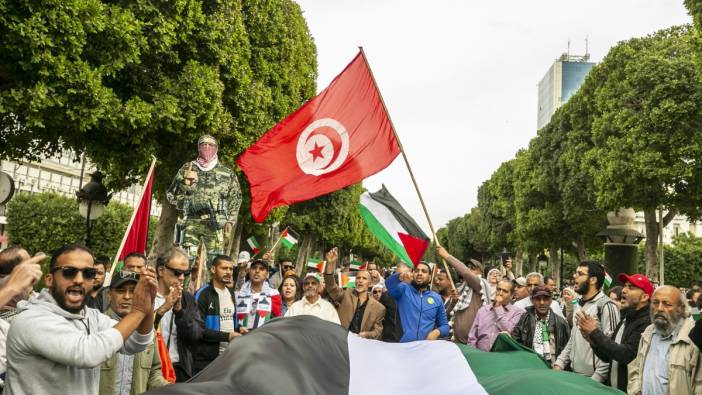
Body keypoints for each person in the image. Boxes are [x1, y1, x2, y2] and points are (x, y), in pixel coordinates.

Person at [5, 245, 156, 394]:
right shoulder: (31, 319)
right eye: (69, 272)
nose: (79, 279)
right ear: (49, 280)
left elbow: (136, 342)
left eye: (88, 273)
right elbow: (87, 353)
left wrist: (148, 302)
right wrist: (138, 311)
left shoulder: (92, 316)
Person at [167, 134, 242, 265]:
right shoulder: (188, 168)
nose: (207, 148)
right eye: (203, 145)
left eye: (211, 145)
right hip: (191, 221)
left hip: (215, 223)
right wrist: (186, 202)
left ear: (216, 148)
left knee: (215, 264)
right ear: (198, 148)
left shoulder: (226, 172)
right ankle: (181, 286)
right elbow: (171, 193)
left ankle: (212, 286)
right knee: (185, 262)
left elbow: (236, 197)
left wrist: (230, 221)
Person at [578, 273, 652, 392]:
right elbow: (609, 357)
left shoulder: (647, 323)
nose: (624, 290)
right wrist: (592, 340)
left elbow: (626, 355)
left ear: (644, 297)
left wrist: (595, 332)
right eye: (625, 286)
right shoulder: (626, 318)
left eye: (631, 287)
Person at [99, 270, 170, 395]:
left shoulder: (147, 331)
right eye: (120, 291)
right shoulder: (97, 327)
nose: (127, 296)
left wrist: (170, 388)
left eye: (133, 291)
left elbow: (154, 372)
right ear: (109, 295)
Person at [553, 261, 620, 383]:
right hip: (575, 377)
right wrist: (559, 363)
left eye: (580, 273)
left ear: (593, 279)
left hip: (594, 383)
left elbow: (612, 349)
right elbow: (573, 339)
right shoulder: (577, 303)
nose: (574, 276)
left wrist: (595, 380)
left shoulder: (606, 306)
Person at [628, 286, 701, 395]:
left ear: (681, 308)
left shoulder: (693, 339)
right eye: (655, 302)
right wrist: (636, 391)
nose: (660, 308)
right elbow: (636, 368)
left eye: (667, 304)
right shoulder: (648, 332)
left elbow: (699, 386)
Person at [154, 248, 204, 382]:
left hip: (178, 369)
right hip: (148, 368)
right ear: (161, 270)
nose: (182, 278)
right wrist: (163, 309)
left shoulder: (187, 299)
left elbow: (196, 335)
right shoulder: (146, 296)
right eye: (177, 273)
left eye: (185, 273)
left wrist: (180, 312)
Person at [323, 248, 385, 338]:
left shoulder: (379, 308)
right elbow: (331, 287)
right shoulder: (346, 294)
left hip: (360, 346)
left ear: (370, 283)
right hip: (340, 340)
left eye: (364, 278)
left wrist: (368, 334)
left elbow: (378, 331)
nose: (360, 281)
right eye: (358, 278)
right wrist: (330, 264)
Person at [193, 255, 240, 374]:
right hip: (206, 361)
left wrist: (239, 329)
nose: (228, 272)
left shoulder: (230, 292)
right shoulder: (202, 294)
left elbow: (228, 320)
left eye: (231, 269)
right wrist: (228, 336)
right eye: (224, 268)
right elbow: (197, 330)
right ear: (213, 269)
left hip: (229, 356)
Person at [386, 257, 449, 342]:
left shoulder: (437, 298)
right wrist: (401, 276)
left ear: (430, 277)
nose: (419, 273)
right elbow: (389, 284)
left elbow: (445, 326)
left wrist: (436, 332)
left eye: (424, 271)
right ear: (412, 274)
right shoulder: (404, 288)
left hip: (425, 348)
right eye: (416, 270)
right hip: (403, 346)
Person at [436, 246, 485, 343]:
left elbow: (465, 272)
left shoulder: (481, 285)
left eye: (473, 268)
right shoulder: (459, 289)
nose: (469, 270)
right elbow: (446, 316)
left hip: (474, 344)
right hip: (456, 341)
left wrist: (447, 256)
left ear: (480, 272)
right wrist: (454, 303)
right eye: (468, 267)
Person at [512, 285, 570, 367]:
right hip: (530, 367)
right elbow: (515, 342)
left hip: (553, 370)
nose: (542, 302)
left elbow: (567, 351)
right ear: (532, 300)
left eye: (545, 299)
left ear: (550, 301)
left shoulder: (561, 323)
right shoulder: (525, 319)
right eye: (538, 299)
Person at [468, 279, 524, 351]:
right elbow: (472, 337)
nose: (500, 293)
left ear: (512, 295)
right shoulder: (483, 310)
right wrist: (473, 354)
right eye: (498, 289)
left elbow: (509, 331)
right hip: (481, 356)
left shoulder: (518, 312)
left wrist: (498, 308)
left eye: (505, 291)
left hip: (502, 358)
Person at [236, 259, 282, 333]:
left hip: (262, 338)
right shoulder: (240, 292)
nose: (257, 271)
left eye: (261, 269)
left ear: (267, 274)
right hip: (240, 336)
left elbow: (276, 321)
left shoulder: (273, 294)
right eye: (254, 268)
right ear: (249, 271)